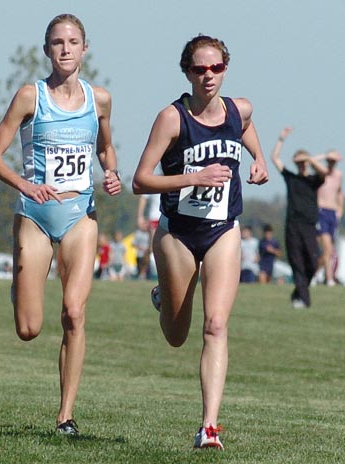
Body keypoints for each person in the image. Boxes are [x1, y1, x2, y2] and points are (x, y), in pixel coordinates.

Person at [0, 13, 120, 436]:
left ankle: (66, 416)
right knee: (29, 329)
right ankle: (20, 283)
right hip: (35, 217)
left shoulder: (100, 100)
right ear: (47, 50)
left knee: (74, 313)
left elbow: (106, 149)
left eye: (73, 41)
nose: (65, 49)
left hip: (82, 216)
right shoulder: (30, 96)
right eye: (57, 42)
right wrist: (26, 184)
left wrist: (111, 172)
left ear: (84, 49)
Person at [132, 34, 268, 449]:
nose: (208, 76)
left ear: (225, 68)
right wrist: (194, 177)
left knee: (216, 325)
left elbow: (246, 127)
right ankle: (165, 293)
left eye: (216, 68)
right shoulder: (172, 118)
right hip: (178, 233)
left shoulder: (238, 109)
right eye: (199, 69)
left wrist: (259, 159)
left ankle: (209, 426)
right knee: (177, 333)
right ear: (187, 72)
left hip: (224, 229)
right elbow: (140, 180)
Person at [271, 127, 328, 308]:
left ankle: (298, 293)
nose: (303, 165)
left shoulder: (314, 180)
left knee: (312, 261)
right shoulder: (291, 178)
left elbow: (324, 172)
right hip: (293, 225)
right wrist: (281, 139)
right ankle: (303, 300)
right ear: (297, 164)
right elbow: (275, 159)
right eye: (300, 162)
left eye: (305, 162)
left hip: (310, 225)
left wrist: (310, 158)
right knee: (296, 262)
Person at [315, 150, 343, 286]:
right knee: (327, 247)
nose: (331, 163)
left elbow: (339, 193)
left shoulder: (338, 175)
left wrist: (340, 209)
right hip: (321, 211)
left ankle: (313, 274)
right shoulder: (321, 173)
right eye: (329, 160)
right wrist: (324, 155)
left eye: (334, 161)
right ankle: (329, 278)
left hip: (333, 213)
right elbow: (311, 160)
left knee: (330, 250)